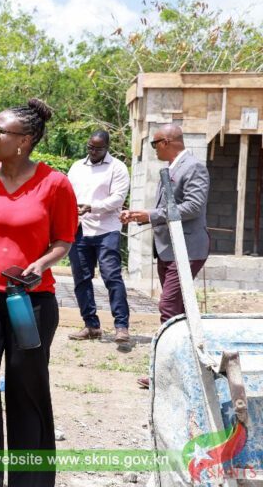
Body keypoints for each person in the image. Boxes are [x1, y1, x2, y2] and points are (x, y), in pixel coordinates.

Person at [0, 99, 78, 487]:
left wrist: (41, 264)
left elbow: (63, 240)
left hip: (31, 302)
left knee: (26, 390)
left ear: (23, 141)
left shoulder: (55, 184)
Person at [120, 124, 210, 388]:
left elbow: (193, 206)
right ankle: (185, 368)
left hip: (188, 249)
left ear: (166, 142)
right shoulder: (171, 168)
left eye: (154, 143)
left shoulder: (193, 167)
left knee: (169, 308)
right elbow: (167, 208)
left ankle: (164, 372)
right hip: (169, 249)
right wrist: (143, 215)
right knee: (177, 311)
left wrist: (151, 215)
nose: (153, 149)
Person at [66, 130, 131, 344]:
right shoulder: (77, 167)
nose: (93, 151)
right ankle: (91, 325)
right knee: (81, 279)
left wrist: (92, 207)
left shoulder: (117, 168)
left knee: (111, 277)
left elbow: (118, 199)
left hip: (106, 230)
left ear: (107, 147)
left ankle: (121, 326)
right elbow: (67, 194)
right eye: (90, 147)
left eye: (98, 148)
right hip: (80, 229)